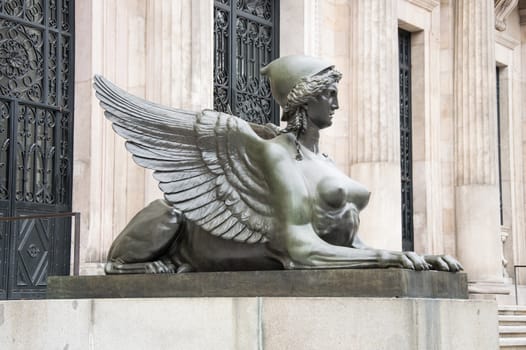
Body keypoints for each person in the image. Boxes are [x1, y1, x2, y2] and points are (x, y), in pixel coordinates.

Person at [97, 55, 462, 274]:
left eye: (336, 94)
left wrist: (415, 259)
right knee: (168, 213)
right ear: (305, 100)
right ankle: (124, 265)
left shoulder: (324, 160)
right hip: (186, 243)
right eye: (328, 94)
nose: (336, 103)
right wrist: (389, 260)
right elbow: (299, 250)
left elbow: (350, 243)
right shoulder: (276, 154)